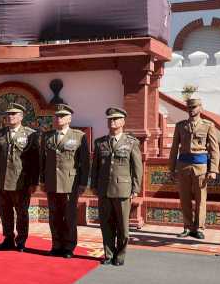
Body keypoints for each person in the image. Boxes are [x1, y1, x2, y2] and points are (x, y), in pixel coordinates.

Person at [90, 107, 143, 266]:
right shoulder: (100, 142)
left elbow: (137, 167)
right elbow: (96, 166)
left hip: (122, 190)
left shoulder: (131, 142)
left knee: (122, 226)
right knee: (106, 224)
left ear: (123, 122)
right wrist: (93, 185)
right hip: (104, 189)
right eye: (110, 119)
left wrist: (135, 188)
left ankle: (120, 255)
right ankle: (108, 254)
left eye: (115, 119)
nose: (112, 121)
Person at [40, 104, 90, 258]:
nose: (59, 118)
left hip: (70, 182)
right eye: (57, 116)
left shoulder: (78, 136)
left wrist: (83, 183)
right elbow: (43, 160)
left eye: (62, 116)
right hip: (52, 182)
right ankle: (56, 245)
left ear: (69, 118)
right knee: (54, 216)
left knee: (69, 216)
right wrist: (42, 180)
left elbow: (85, 162)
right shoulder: (47, 136)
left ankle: (69, 247)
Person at [168, 97, 220, 240]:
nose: (192, 110)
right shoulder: (180, 126)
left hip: (200, 166)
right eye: (189, 108)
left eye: (194, 107)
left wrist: (213, 170)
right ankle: (187, 226)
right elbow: (174, 149)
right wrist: (171, 169)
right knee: (184, 198)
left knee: (200, 199)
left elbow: (215, 150)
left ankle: (199, 227)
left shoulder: (208, 125)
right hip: (183, 166)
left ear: (200, 108)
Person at [0, 103, 39, 251]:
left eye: (14, 114)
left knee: (22, 212)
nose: (10, 117)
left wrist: (33, 182)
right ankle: (8, 238)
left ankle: (22, 240)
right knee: (5, 211)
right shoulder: (0, 133)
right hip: (2, 179)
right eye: (8, 114)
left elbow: (34, 161)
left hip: (21, 181)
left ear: (21, 116)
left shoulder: (30, 134)